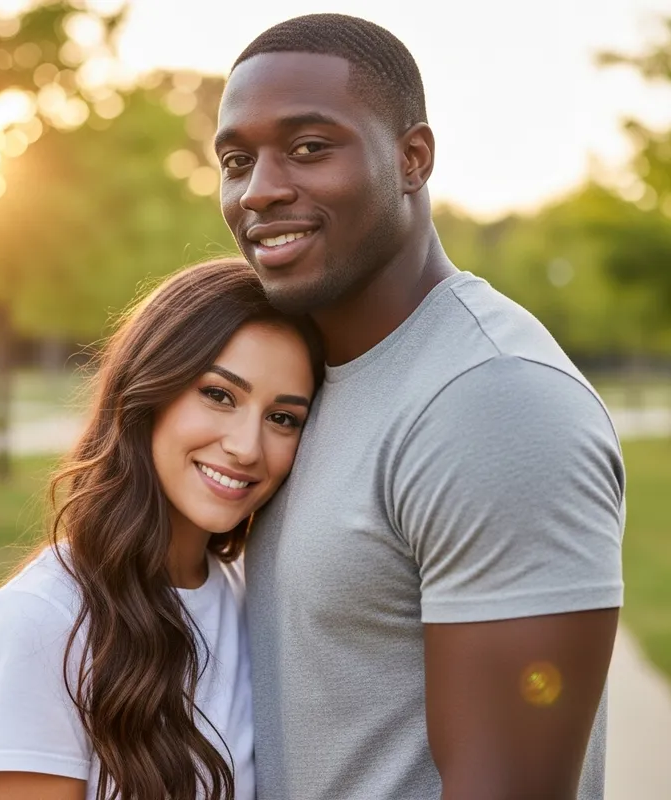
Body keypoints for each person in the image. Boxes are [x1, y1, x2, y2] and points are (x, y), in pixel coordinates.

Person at [215, 13, 625, 800]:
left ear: (412, 159)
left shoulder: (494, 404)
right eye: (237, 159)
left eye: (308, 148)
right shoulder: (306, 378)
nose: (259, 189)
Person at [0, 258, 324, 800]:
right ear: (150, 391)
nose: (247, 446)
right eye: (219, 395)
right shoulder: (39, 623)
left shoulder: (253, 600)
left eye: (283, 418)